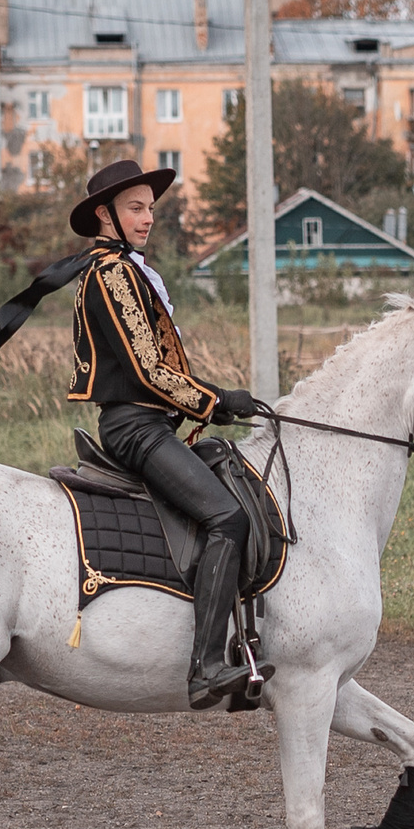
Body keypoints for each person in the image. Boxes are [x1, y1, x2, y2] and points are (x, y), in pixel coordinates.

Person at [65, 158, 271, 709]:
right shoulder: (110, 274)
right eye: (135, 208)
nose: (147, 217)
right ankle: (205, 667)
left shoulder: (129, 271)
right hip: (135, 426)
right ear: (105, 216)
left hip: (154, 422)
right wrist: (217, 399)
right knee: (226, 516)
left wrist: (213, 402)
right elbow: (146, 371)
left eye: (151, 208)